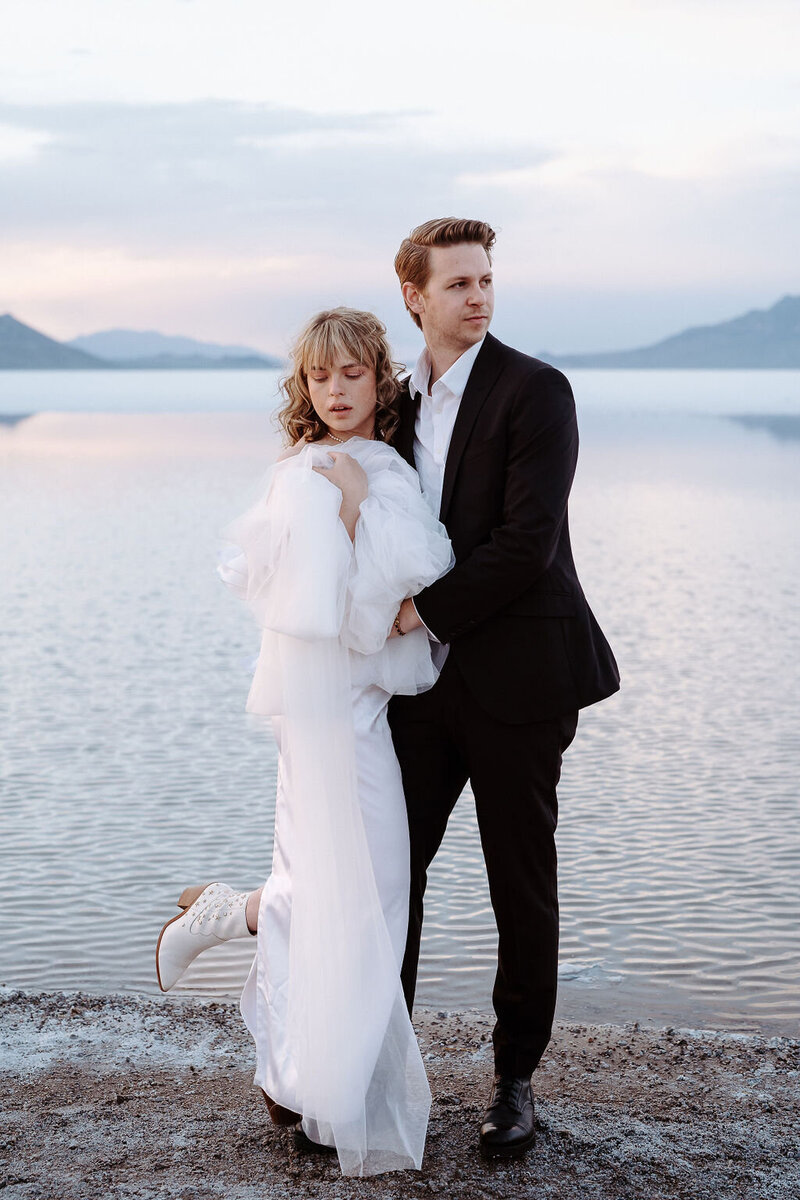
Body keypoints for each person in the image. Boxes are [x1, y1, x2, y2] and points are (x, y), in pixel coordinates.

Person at [155, 308, 453, 1177]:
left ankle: (303, 1072)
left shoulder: (366, 466)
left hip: (344, 713)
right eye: (320, 377)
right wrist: (356, 520)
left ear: (378, 378)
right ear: (305, 386)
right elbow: (353, 620)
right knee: (362, 895)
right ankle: (315, 1083)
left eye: (352, 374)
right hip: (334, 718)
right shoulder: (314, 471)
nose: (335, 391)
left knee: (351, 890)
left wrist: (364, 514)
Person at [386, 218, 620, 1160]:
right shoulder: (397, 401)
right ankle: (378, 1059)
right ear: (415, 296)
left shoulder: (537, 390)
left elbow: (527, 543)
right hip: (418, 691)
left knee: (519, 883)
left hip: (520, 678)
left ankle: (515, 1078)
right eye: (458, 285)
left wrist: (420, 612)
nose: (479, 297)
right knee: (389, 873)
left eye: (487, 280)